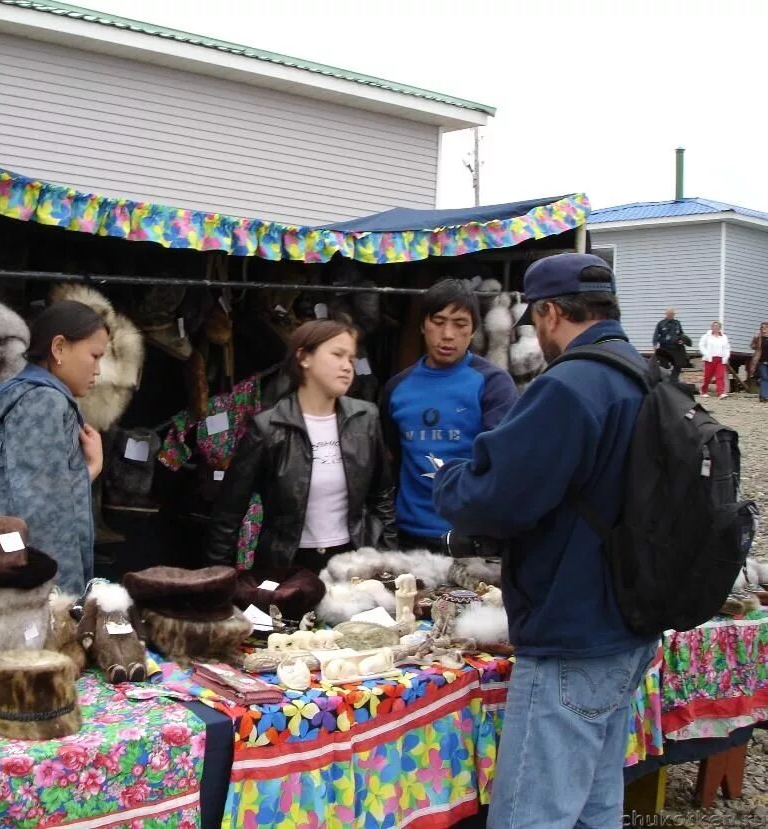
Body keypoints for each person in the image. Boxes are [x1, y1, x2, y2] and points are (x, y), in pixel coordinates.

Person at [432, 253, 658, 829]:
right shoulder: (643, 373)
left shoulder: (571, 384)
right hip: (628, 622)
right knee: (593, 799)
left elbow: (499, 495)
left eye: (535, 321)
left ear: (551, 312)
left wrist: (450, 479)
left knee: (532, 814)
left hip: (572, 631)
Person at [205, 319, 397, 573]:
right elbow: (228, 514)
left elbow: (382, 497)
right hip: (287, 565)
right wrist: (217, 581)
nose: (347, 366)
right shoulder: (268, 426)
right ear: (304, 358)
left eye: (351, 358)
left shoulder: (365, 418)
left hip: (354, 563)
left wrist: (387, 560)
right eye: (337, 355)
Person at [0, 300, 107, 596]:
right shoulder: (44, 403)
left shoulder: (21, 395)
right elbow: (44, 513)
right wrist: (67, 600)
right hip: (7, 582)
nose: (98, 370)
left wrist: (89, 469)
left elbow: (30, 491)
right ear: (59, 348)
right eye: (94, 355)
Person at [380, 279, 517, 551]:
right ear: (422, 325)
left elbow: (502, 466)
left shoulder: (494, 384)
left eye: (460, 324)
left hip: (472, 539)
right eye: (438, 321)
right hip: (409, 538)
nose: (447, 334)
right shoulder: (397, 388)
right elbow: (390, 462)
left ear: (473, 329)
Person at [651, 307, 691, 381]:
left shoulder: (677, 323)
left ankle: (674, 380)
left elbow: (681, 333)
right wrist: (654, 344)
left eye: (672, 314)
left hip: (676, 347)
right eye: (669, 313)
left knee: (678, 364)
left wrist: (682, 340)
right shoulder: (661, 323)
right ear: (666, 314)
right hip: (665, 347)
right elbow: (656, 335)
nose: (671, 315)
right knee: (664, 366)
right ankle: (665, 380)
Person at [698, 321, 731, 398]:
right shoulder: (706, 336)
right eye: (714, 326)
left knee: (720, 376)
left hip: (720, 359)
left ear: (720, 328)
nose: (716, 328)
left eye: (717, 326)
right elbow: (701, 345)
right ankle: (704, 391)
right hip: (710, 359)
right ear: (711, 327)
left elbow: (727, 347)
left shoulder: (724, 337)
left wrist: (726, 356)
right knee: (707, 376)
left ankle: (721, 392)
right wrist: (705, 353)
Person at [750, 321, 768, 403]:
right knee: (764, 378)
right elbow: (752, 347)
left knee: (764, 379)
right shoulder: (759, 338)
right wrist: (755, 339)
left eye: (765, 327)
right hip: (761, 362)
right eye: (762, 327)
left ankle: (762, 396)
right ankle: (764, 396)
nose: (764, 329)